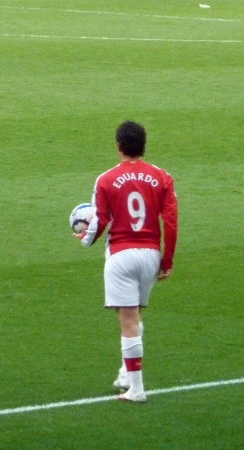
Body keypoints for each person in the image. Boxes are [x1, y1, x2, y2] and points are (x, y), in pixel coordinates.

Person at [75, 121, 178, 403]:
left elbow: (101, 219)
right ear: (143, 145)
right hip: (150, 255)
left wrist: (85, 239)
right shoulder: (163, 177)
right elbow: (170, 221)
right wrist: (166, 259)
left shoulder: (106, 180)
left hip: (121, 254)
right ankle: (124, 374)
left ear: (119, 146)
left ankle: (136, 389)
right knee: (133, 315)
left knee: (128, 320)